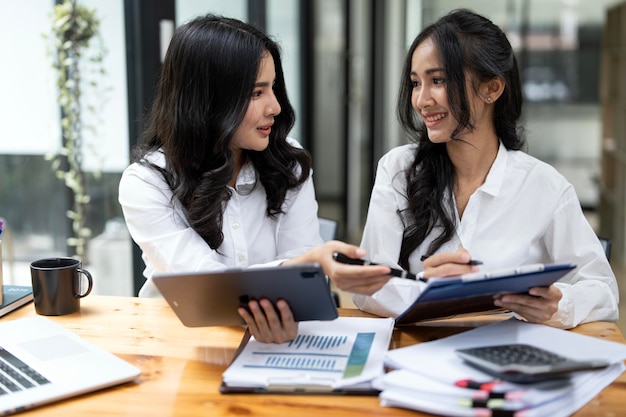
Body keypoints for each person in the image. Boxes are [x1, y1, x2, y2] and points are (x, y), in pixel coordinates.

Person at [118, 14, 391, 343]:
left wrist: (308, 267)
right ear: (208, 100)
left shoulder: (288, 161)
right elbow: (207, 287)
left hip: (275, 339)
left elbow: (304, 272)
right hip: (175, 342)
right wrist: (303, 266)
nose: (275, 107)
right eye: (256, 93)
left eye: (273, 87)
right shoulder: (147, 182)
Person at [353, 9, 619, 329]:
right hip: (416, 352)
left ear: (492, 88)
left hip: (507, 360)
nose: (421, 99)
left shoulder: (545, 186)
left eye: (437, 80)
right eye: (415, 83)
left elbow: (603, 289)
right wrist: (423, 287)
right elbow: (365, 286)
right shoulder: (398, 169)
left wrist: (558, 303)